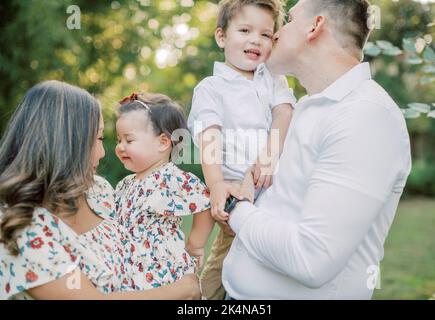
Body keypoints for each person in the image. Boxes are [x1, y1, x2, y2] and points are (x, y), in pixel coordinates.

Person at [222, 0, 412, 299]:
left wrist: (235, 207)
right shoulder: (310, 107)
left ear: (315, 26)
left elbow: (311, 259)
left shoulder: (366, 116)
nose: (275, 34)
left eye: (290, 19)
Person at [0, 80, 200, 300]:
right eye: (98, 138)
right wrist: (184, 289)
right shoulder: (19, 228)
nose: (104, 152)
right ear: (67, 144)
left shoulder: (99, 191)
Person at [187, 0, 296, 300]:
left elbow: (284, 113)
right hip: (237, 193)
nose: (255, 40)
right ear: (221, 37)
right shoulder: (211, 87)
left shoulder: (274, 79)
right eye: (245, 30)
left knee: (272, 265)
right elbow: (209, 135)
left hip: (276, 190)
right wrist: (217, 184)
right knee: (225, 262)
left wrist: (268, 157)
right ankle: (200, 300)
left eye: (265, 34)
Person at [114, 92, 214, 288]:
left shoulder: (170, 178)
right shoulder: (125, 183)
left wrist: (196, 243)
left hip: (161, 271)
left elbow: (205, 202)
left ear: (163, 142)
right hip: (127, 268)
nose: (120, 147)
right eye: (119, 140)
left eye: (129, 140)